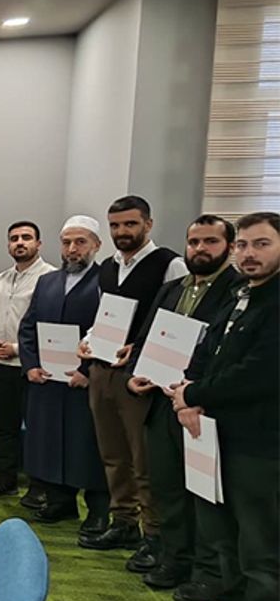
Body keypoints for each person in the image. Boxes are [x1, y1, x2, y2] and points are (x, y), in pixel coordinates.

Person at [172, 212, 279, 601]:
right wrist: (187, 392)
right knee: (223, 530)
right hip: (215, 433)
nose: (249, 254)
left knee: (260, 540)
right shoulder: (240, 293)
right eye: (244, 245)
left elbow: (260, 373)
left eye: (262, 244)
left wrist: (194, 393)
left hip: (261, 441)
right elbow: (206, 348)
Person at [125, 215, 241, 601]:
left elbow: (228, 355)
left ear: (229, 247)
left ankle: (209, 573)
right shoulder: (172, 289)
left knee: (206, 497)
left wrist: (198, 393)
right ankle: (175, 558)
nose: (200, 249)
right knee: (168, 487)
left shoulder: (239, 291)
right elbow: (146, 340)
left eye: (210, 241)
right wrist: (134, 375)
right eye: (194, 242)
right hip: (162, 403)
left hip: (205, 410)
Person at [79, 196, 188, 558]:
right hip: (102, 370)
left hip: (142, 377)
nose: (122, 231)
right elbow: (103, 316)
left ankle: (154, 535)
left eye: (130, 224)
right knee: (113, 455)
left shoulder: (170, 264)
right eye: (115, 225)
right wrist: (88, 341)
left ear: (148, 224)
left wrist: (142, 352)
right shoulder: (108, 267)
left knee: (145, 461)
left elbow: (181, 323)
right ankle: (123, 522)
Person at [18, 216, 110, 536]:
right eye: (67, 242)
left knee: (89, 447)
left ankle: (98, 512)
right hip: (47, 380)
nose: (72, 249)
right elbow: (28, 327)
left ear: (96, 245)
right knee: (51, 442)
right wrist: (30, 365)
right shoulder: (47, 282)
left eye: (80, 242)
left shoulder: (106, 281)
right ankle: (60, 501)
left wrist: (87, 371)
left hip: (84, 383)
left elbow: (111, 332)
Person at [0, 221, 56, 500]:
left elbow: (50, 327)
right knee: (4, 428)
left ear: (39, 244)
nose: (20, 242)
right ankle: (6, 478)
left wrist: (17, 349)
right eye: (14, 238)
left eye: (26, 237)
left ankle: (39, 485)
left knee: (37, 430)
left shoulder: (51, 279)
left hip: (31, 367)